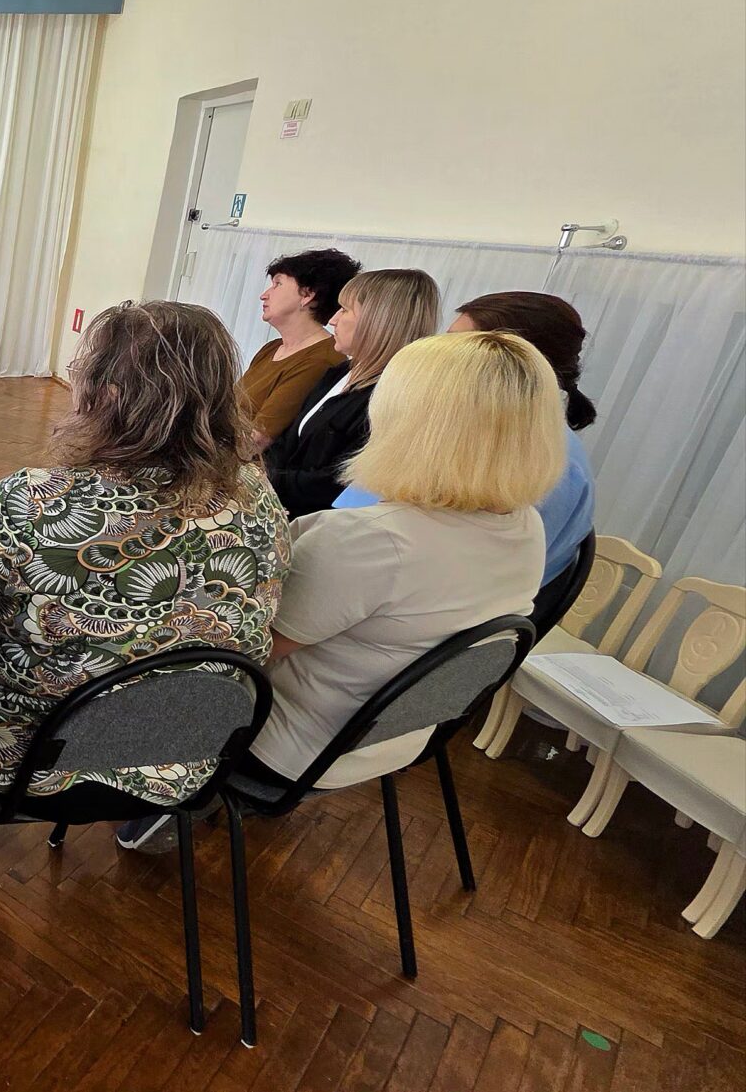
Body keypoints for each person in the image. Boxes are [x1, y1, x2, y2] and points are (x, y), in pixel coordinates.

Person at [0, 302, 290, 846]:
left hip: (26, 768)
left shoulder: (24, 506)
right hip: (185, 759)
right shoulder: (257, 494)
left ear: (104, 395)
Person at [249, 331, 562, 789]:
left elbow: (250, 651)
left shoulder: (371, 541)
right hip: (390, 740)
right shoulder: (525, 525)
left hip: (289, 743)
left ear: (411, 425)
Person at [331, 291, 596, 583]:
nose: (439, 355)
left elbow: (361, 543)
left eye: (456, 344)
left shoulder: (539, 459)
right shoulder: (516, 438)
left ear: (507, 357)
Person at [263, 268, 440, 517]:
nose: (333, 320)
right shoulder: (339, 372)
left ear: (378, 321)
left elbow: (338, 481)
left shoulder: (391, 397)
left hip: (318, 522)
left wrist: (266, 481)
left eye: (345, 310)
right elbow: (289, 440)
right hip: (279, 507)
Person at [240, 248, 361, 444]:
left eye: (277, 284)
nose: (264, 295)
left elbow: (256, 440)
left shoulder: (320, 360)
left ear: (307, 294)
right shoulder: (271, 348)